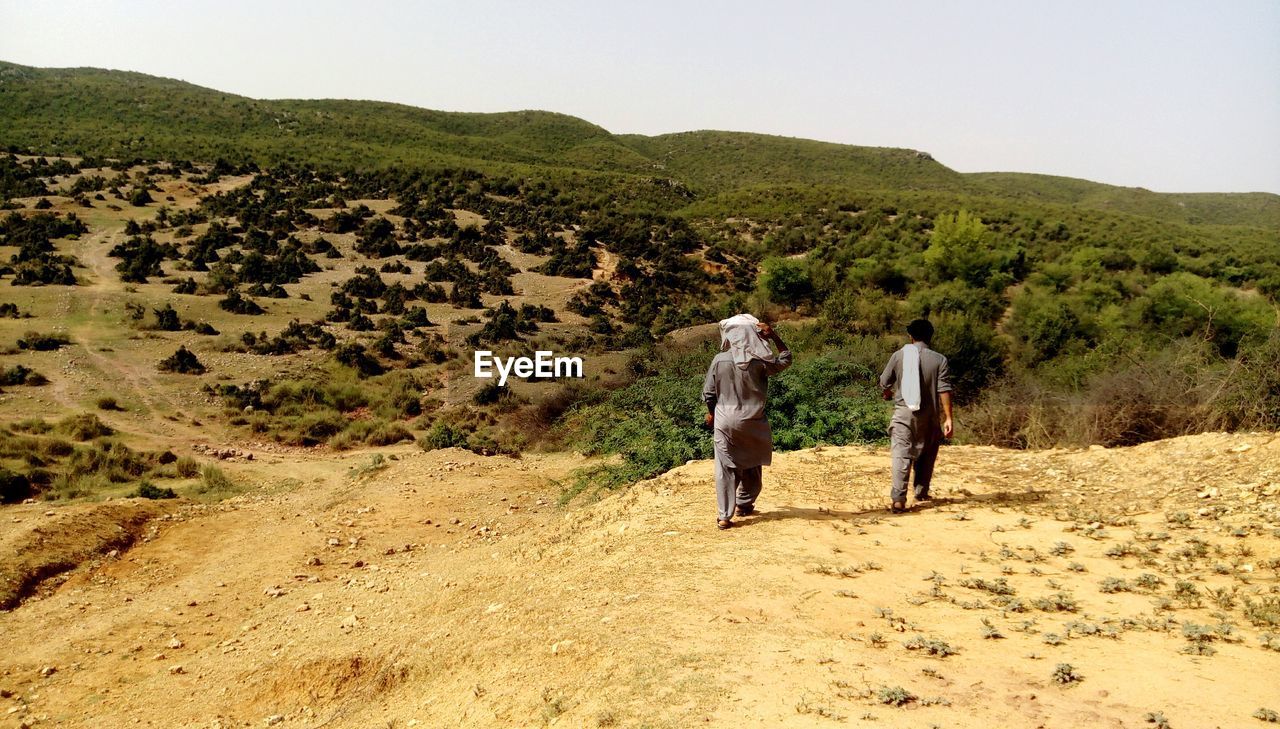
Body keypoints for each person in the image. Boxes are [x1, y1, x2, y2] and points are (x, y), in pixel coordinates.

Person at [702, 314, 792, 530]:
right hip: (753, 419)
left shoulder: (719, 360)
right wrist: (775, 337)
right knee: (752, 461)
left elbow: (709, 393)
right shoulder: (761, 361)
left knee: (725, 468)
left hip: (725, 420)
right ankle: (744, 503)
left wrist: (712, 414)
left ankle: (725, 516)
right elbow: (786, 359)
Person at [879, 318, 953, 513]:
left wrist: (887, 393)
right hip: (930, 415)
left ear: (910, 336)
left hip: (904, 415)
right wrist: (948, 418)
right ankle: (921, 492)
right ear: (930, 336)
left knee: (901, 454)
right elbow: (944, 389)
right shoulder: (940, 360)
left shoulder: (899, 355)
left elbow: (885, 382)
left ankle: (898, 499)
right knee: (927, 453)